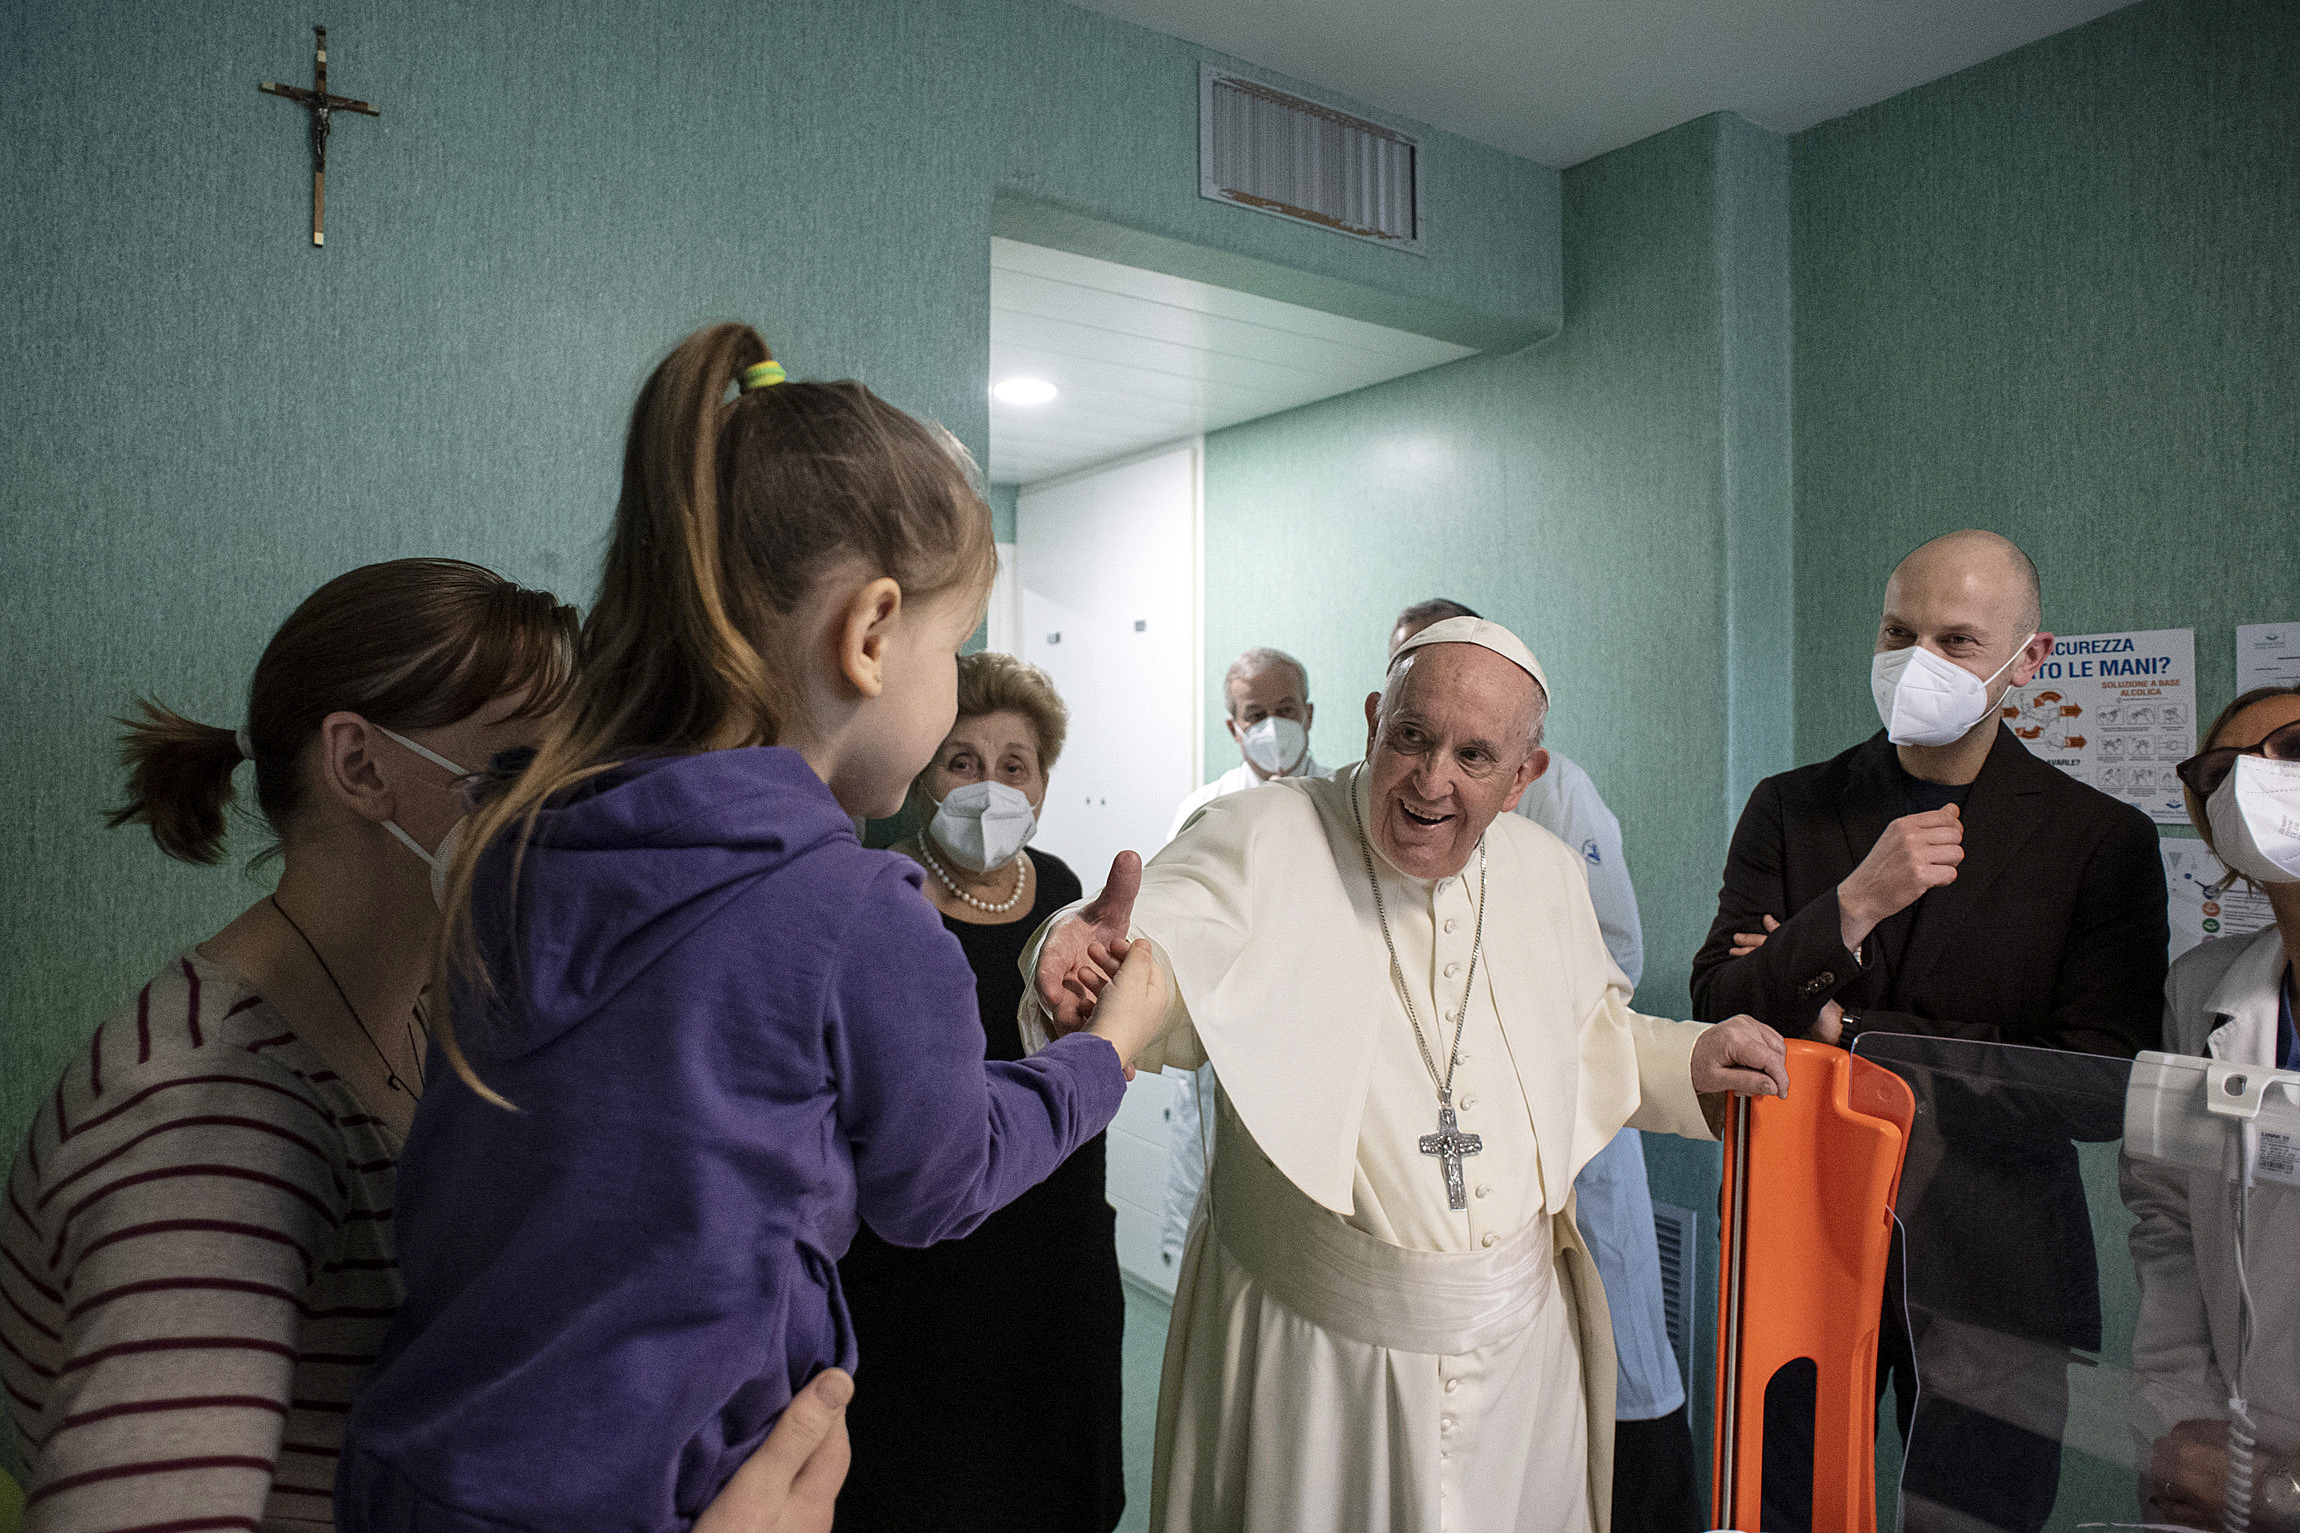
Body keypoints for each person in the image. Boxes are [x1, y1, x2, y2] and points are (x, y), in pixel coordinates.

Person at [335, 326, 1168, 1532]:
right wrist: (1102, 1054)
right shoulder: (854, 913)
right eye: (954, 648)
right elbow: (939, 1185)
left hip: (422, 1471)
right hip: (663, 1494)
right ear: (872, 634)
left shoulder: (509, 849)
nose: (955, 689)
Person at [1029, 614, 1789, 1533]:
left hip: (1520, 1368)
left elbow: (1590, 1037)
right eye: (1413, 737)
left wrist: (1689, 1060)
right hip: (1314, 1368)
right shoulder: (1261, 831)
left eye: (1474, 756)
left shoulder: (1547, 876)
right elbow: (1162, 936)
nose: (1432, 782)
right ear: (1371, 718)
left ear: (1522, 778)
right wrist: (1080, 956)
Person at [1690, 529, 2168, 1533]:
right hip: (1797, 1236)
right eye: (1897, 632)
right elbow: (1719, 1004)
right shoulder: (1792, 809)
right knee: (1781, 1513)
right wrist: (1851, 907)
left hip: (1996, 1265)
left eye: (1954, 641)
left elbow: (2091, 1084)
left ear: (2025, 661)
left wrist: (1848, 1030)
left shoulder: (2098, 842)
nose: (1916, 662)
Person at [1388, 600, 1697, 1533]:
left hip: (1568, 1138)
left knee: (1620, 1390)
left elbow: (1618, 964)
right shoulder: (1355, 815)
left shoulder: (1561, 800)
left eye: (1475, 752)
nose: (1441, 772)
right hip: (1437, 1189)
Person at [835, 653, 1125, 1533]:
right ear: (925, 769)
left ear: (1041, 783)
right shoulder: (880, 893)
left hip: (1056, 1249)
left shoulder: (1069, 893)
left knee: (1056, 1487)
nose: (989, 785)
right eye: (963, 760)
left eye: (1014, 765)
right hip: (923, 1265)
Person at [2124, 684, 2300, 1532]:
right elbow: (2164, 1218)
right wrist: (2179, 1414)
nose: (2259, 781)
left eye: (2293, 749)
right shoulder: (2200, 991)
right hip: (2220, 1449)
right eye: (2224, 771)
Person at [1160, 647, 1333, 1272]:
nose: (1272, 726)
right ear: (1232, 727)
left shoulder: (1350, 803)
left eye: (1285, 709)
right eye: (1254, 713)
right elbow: (1176, 937)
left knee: (1309, 1246)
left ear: (1310, 713)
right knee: (1217, 1239)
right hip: (1226, 1050)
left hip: (1321, 1047)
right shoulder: (1202, 813)